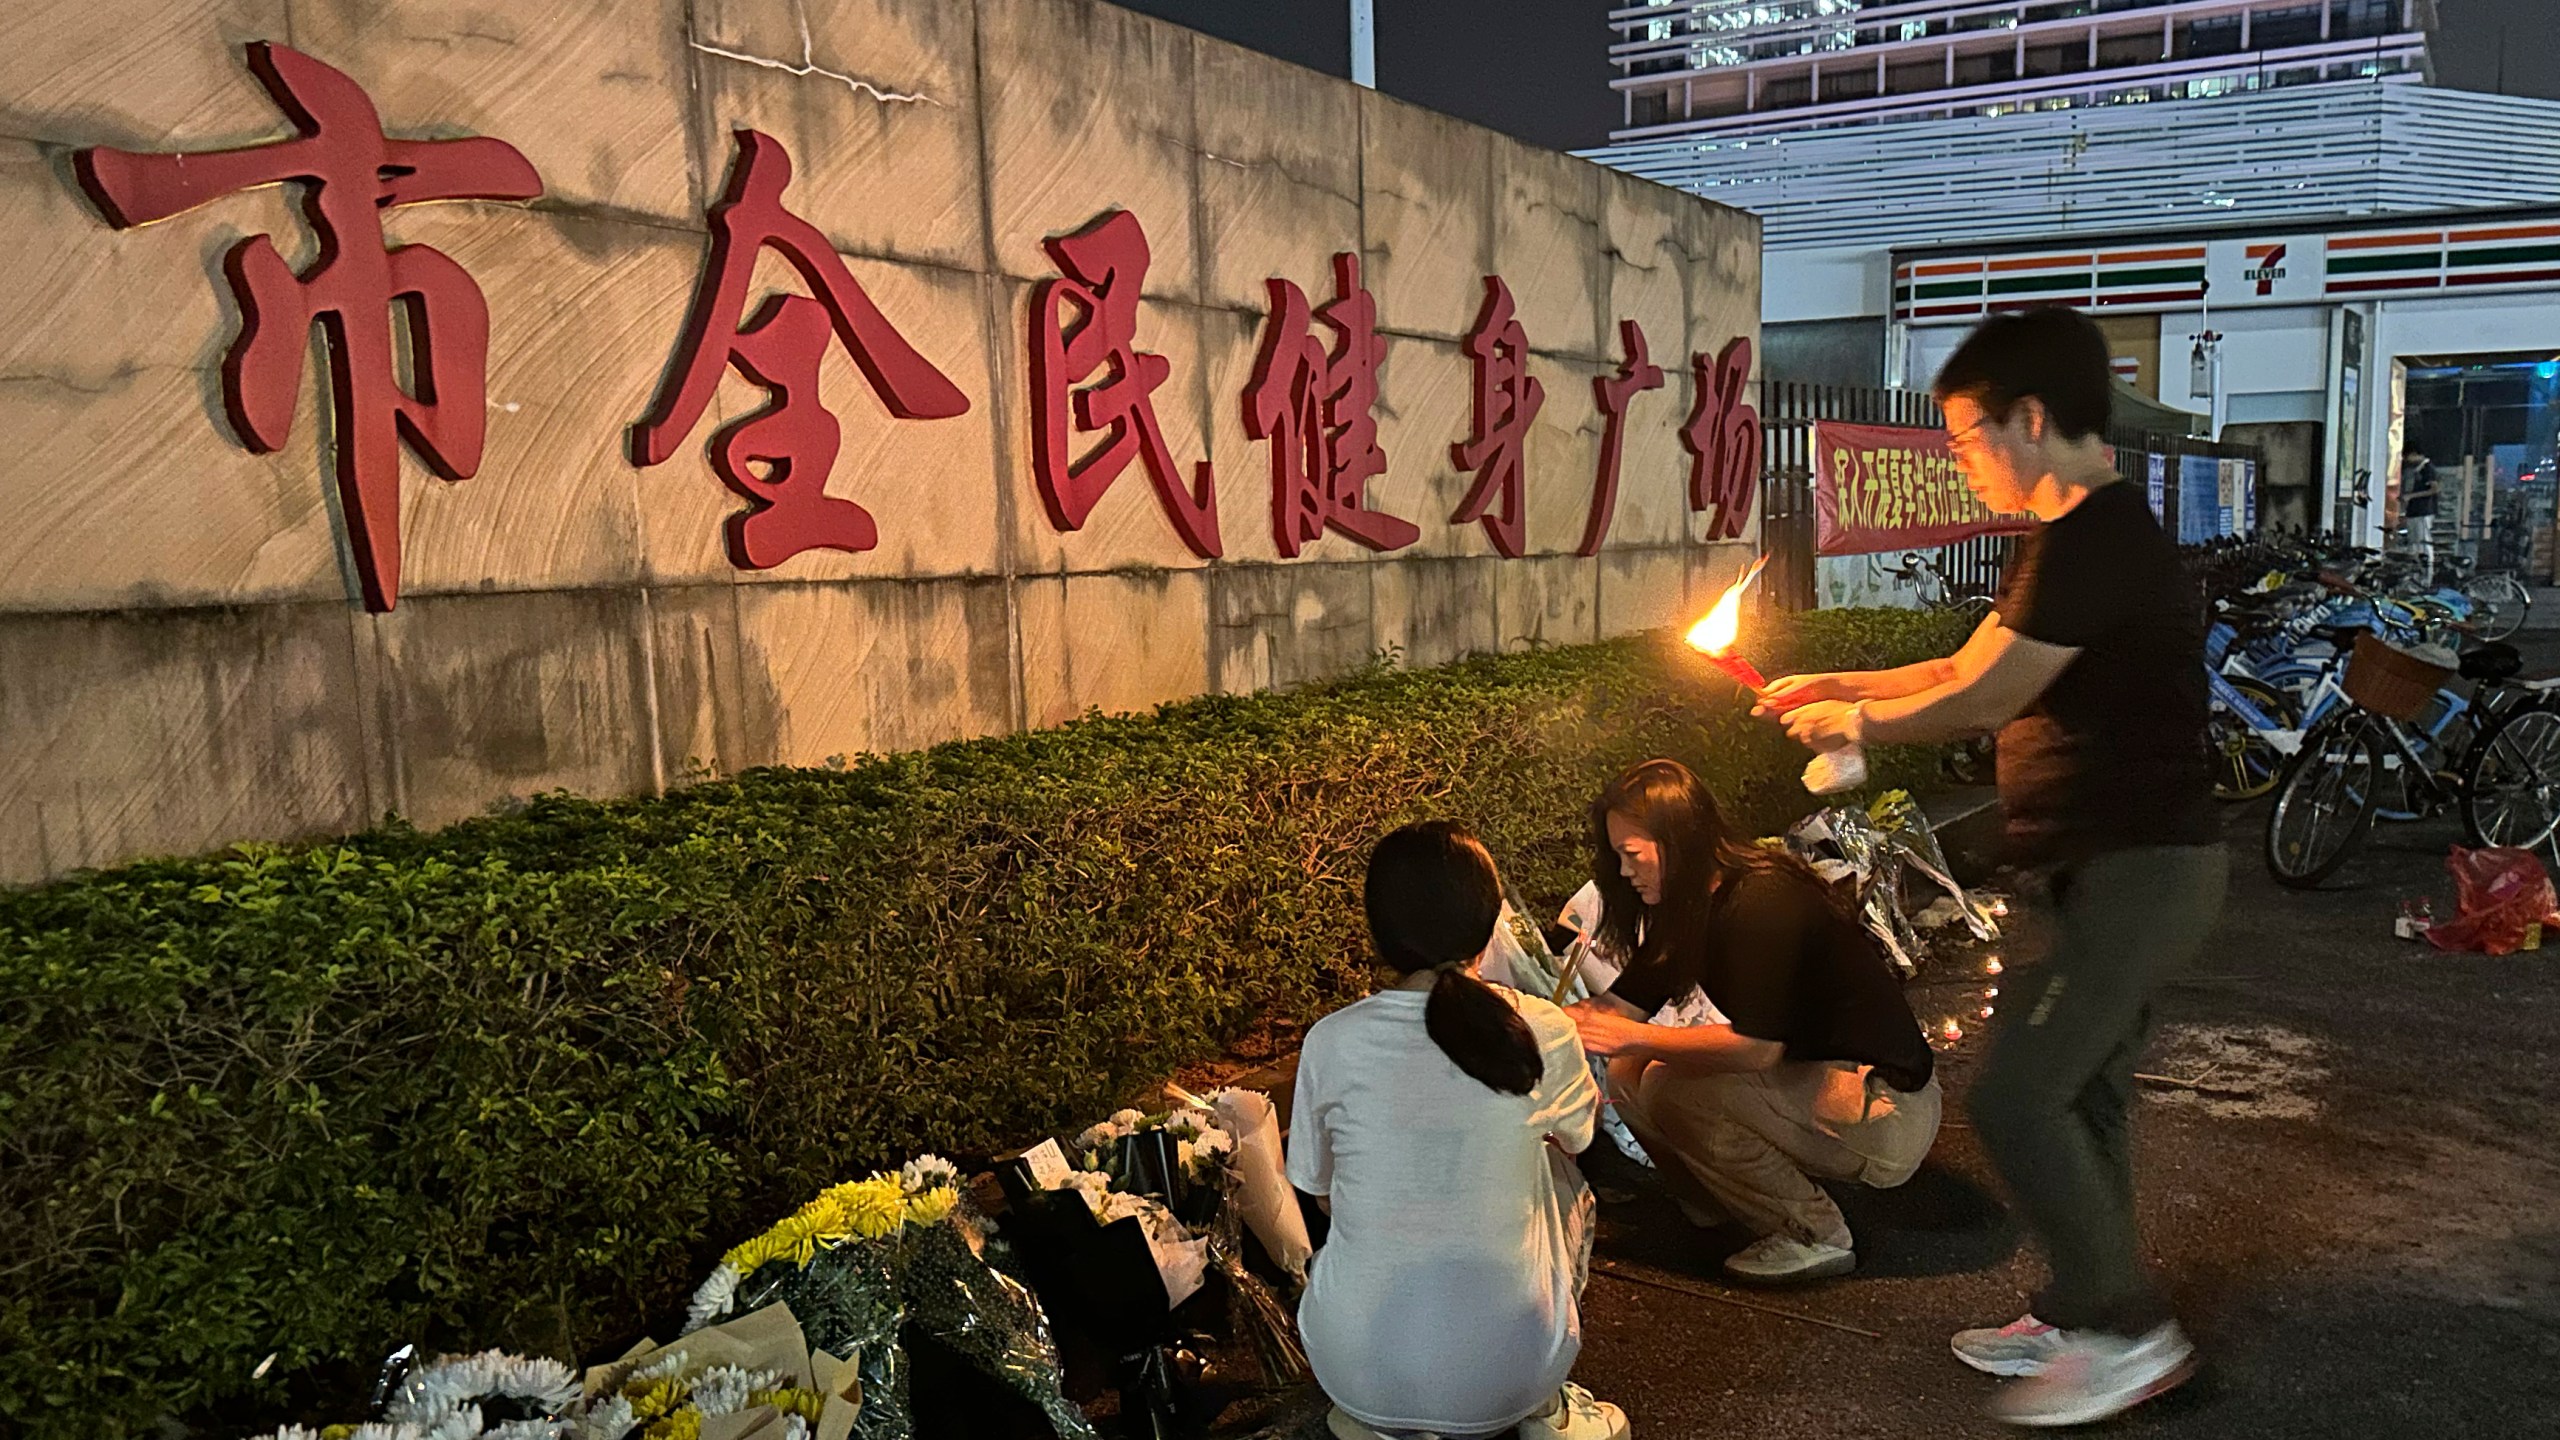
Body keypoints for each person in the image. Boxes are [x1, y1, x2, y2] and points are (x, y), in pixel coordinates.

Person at [1763, 305, 2224, 1427]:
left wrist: (1860, 732)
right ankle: (2084, 1309)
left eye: (1968, 435)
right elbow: (1966, 658)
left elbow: (1984, 697)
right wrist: (1840, 690)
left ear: (2031, 418)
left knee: (2021, 1099)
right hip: (2093, 865)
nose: (1961, 458)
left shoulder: (2099, 536)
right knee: (2086, 1091)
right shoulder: (2062, 539)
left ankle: (2133, 1337)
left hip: (2139, 866)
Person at [1286, 821, 1629, 1440]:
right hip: (1514, 1372)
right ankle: (1544, 1413)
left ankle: (1370, 1421)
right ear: (1490, 919)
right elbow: (1580, 1141)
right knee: (1560, 1177)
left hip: (1352, 1367)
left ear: (1379, 930)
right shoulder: (1542, 1027)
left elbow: (1319, 1192)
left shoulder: (1330, 1041)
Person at [1565, 759, 1941, 1287]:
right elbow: (1621, 1008)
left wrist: (1636, 1036)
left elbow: (1757, 1049)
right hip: (1818, 1077)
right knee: (1630, 1069)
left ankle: (1817, 1234)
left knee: (1678, 1092)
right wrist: (1537, 1020)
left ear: (1678, 840)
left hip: (1884, 1104)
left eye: (1631, 855)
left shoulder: (1761, 900)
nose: (1624, 872)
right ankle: (1710, 1202)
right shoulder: (1691, 904)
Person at [2400, 441, 2441, 571]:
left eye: (2407, 456)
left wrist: (2411, 496)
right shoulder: (2417, 470)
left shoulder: (2428, 469)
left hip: (2424, 511)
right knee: (2414, 543)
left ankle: (2427, 571)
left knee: (2423, 542)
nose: (2406, 460)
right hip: (2414, 511)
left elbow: (2434, 489)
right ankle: (2415, 571)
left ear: (2414, 454)